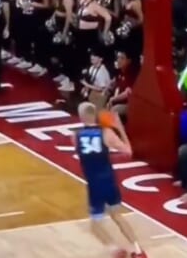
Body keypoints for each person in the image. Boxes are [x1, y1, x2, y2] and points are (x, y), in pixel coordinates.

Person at [74, 102, 146, 257]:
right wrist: (119, 128)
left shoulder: (75, 136)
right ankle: (139, 250)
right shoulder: (107, 133)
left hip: (94, 183)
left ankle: (115, 249)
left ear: (81, 117)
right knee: (117, 216)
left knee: (95, 226)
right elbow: (128, 151)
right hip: (108, 180)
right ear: (95, 115)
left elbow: (83, 155)